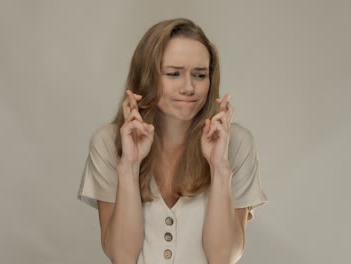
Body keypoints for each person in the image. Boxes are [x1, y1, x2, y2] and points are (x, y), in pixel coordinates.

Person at [77, 18, 268, 264]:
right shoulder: (108, 142)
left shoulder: (236, 142)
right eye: (173, 74)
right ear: (146, 77)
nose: (189, 87)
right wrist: (129, 167)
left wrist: (220, 169)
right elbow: (122, 256)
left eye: (199, 75)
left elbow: (223, 258)